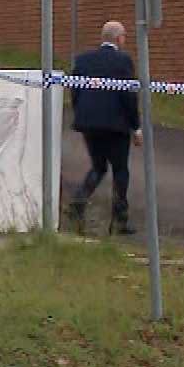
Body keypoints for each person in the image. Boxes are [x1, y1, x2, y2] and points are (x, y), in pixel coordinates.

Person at [68, 20, 143, 234]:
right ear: (119, 38)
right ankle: (119, 220)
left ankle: (78, 203)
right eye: (124, 37)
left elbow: (75, 92)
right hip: (115, 125)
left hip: (89, 123)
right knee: (120, 170)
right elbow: (128, 96)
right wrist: (135, 127)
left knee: (98, 167)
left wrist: (82, 115)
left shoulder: (83, 60)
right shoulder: (123, 61)